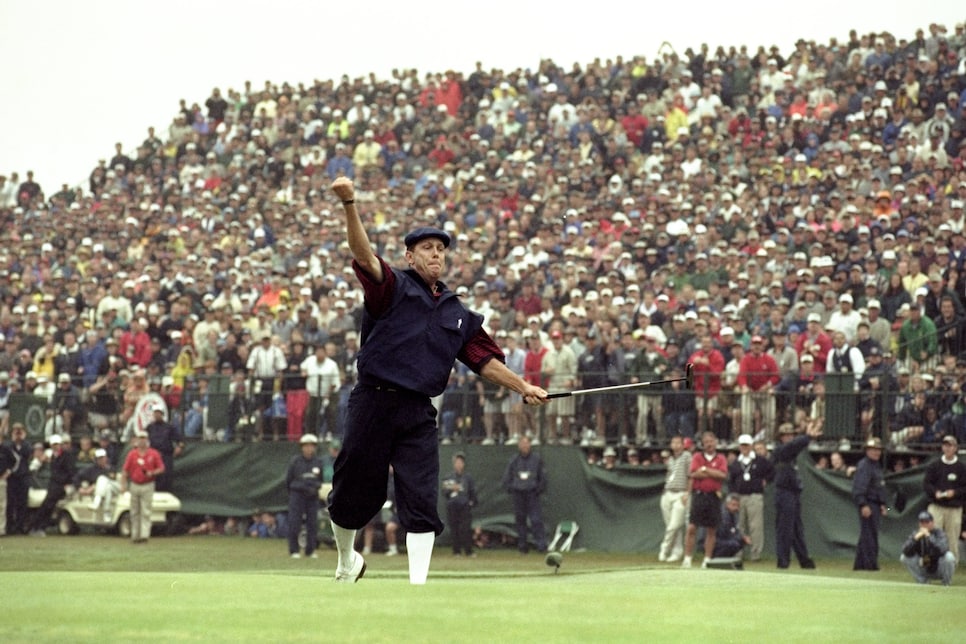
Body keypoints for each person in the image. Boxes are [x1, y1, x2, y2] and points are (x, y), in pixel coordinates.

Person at [326, 177, 549, 585]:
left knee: (422, 496)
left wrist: (524, 387)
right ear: (410, 255)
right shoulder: (391, 286)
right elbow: (363, 255)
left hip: (417, 411)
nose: (436, 254)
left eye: (441, 249)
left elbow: (483, 359)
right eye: (427, 248)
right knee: (352, 488)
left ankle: (418, 589)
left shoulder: (456, 310)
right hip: (373, 400)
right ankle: (346, 562)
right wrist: (350, 204)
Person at [771, 422, 819, 569]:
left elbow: (795, 447)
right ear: (780, 437)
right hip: (784, 493)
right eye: (786, 436)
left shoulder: (793, 456)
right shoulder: (780, 451)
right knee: (785, 528)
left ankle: (804, 560)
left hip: (793, 493)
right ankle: (783, 561)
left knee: (797, 529)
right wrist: (807, 437)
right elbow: (793, 446)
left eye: (791, 435)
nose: (789, 438)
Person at [682, 430, 728, 568]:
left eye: (711, 441)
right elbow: (694, 474)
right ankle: (687, 558)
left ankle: (707, 559)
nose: (709, 444)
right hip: (699, 495)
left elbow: (722, 475)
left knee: (711, 529)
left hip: (713, 496)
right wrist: (709, 473)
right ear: (703, 444)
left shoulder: (721, 458)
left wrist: (706, 470)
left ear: (716, 442)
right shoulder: (697, 456)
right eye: (706, 442)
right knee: (691, 528)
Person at [727, 433, 774, 561]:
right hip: (739, 497)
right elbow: (731, 480)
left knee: (756, 526)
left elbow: (772, 471)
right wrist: (733, 496)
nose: (744, 448)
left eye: (747, 445)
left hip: (755, 496)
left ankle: (755, 553)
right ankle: (737, 552)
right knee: (739, 525)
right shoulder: (736, 463)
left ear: (751, 446)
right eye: (742, 445)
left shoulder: (760, 460)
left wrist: (766, 480)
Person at [922, 434, 966, 565]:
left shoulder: (961, 468)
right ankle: (929, 566)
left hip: (954, 508)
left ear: (955, 448)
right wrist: (935, 492)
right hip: (936, 507)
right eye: (945, 445)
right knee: (931, 537)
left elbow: (964, 488)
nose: (947, 448)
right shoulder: (934, 465)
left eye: (950, 445)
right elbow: (926, 484)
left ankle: (950, 568)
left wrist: (955, 493)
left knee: (952, 540)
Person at [502, 435, 548, 554]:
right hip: (518, 494)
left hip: (532, 494)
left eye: (526, 443)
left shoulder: (536, 459)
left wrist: (538, 489)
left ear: (530, 445)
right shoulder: (514, 460)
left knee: (536, 520)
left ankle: (541, 545)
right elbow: (507, 477)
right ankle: (522, 546)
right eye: (522, 444)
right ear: (519, 446)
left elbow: (542, 477)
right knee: (520, 520)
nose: (524, 446)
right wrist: (512, 488)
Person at [120, 429, 165, 544]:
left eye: (143, 438)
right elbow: (125, 470)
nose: (141, 441)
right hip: (135, 484)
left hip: (148, 484)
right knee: (134, 511)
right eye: (140, 438)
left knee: (146, 510)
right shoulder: (132, 454)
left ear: (147, 440)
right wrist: (123, 484)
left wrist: (152, 473)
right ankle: (135, 535)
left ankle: (144, 535)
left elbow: (161, 468)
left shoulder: (153, 454)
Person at [851, 436, 888, 571]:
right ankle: (870, 565)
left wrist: (884, 505)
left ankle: (860, 565)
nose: (876, 452)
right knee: (869, 536)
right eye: (873, 450)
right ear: (867, 451)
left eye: (878, 450)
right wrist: (863, 504)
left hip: (876, 505)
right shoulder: (864, 466)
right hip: (869, 504)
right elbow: (859, 488)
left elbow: (880, 488)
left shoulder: (876, 466)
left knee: (868, 535)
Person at [285, 433, 324, 559]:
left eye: (311, 446)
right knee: (294, 523)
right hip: (297, 496)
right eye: (306, 446)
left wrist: (314, 488)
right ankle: (294, 550)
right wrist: (298, 489)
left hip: (312, 497)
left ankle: (310, 550)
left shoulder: (318, 462)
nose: (309, 448)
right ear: (302, 447)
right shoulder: (295, 462)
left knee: (312, 524)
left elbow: (320, 480)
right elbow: (289, 480)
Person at [658, 434, 691, 562]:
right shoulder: (670, 459)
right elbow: (669, 475)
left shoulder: (687, 456)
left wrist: (687, 493)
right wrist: (665, 491)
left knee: (674, 525)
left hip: (680, 494)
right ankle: (677, 551)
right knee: (670, 525)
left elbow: (690, 475)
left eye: (678, 443)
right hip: (668, 493)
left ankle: (664, 549)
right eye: (673, 443)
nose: (676, 445)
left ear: (683, 445)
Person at [900, 511, 956, 586]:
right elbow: (905, 550)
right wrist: (915, 539)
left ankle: (946, 584)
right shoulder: (916, 534)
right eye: (922, 522)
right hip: (924, 567)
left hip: (939, 568)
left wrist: (929, 537)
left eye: (927, 522)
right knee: (904, 557)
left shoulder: (939, 533)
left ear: (932, 523)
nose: (924, 525)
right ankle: (923, 583)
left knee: (949, 557)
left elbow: (942, 549)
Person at [441, 451, 477, 556]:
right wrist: (452, 488)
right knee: (454, 528)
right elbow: (444, 491)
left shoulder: (468, 478)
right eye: (457, 462)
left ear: (463, 464)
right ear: (454, 464)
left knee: (465, 529)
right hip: (452, 506)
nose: (459, 464)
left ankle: (468, 551)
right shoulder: (448, 477)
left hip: (465, 507)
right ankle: (456, 551)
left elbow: (472, 492)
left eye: (461, 462)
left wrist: (471, 503)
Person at [145, 405, 183, 492]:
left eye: (159, 413)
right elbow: (143, 439)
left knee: (166, 477)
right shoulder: (149, 427)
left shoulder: (169, 427)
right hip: (152, 456)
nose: (157, 415)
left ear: (162, 414)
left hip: (166, 456)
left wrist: (179, 447)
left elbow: (180, 440)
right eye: (155, 413)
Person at [76, 448, 118, 522]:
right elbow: (77, 477)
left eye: (102, 458)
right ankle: (106, 512)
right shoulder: (91, 470)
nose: (101, 460)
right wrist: (79, 488)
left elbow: (112, 478)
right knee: (107, 487)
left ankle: (96, 502)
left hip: (115, 490)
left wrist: (94, 486)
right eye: (99, 458)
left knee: (102, 479)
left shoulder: (111, 468)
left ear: (106, 458)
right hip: (107, 492)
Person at [712, 493, 752, 558]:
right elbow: (724, 534)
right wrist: (741, 538)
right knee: (734, 544)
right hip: (715, 542)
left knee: (740, 542)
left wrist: (742, 537)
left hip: (722, 540)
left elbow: (734, 531)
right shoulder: (723, 515)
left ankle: (725, 559)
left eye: (738, 505)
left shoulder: (733, 515)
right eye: (733, 505)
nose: (736, 508)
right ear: (727, 504)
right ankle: (716, 558)